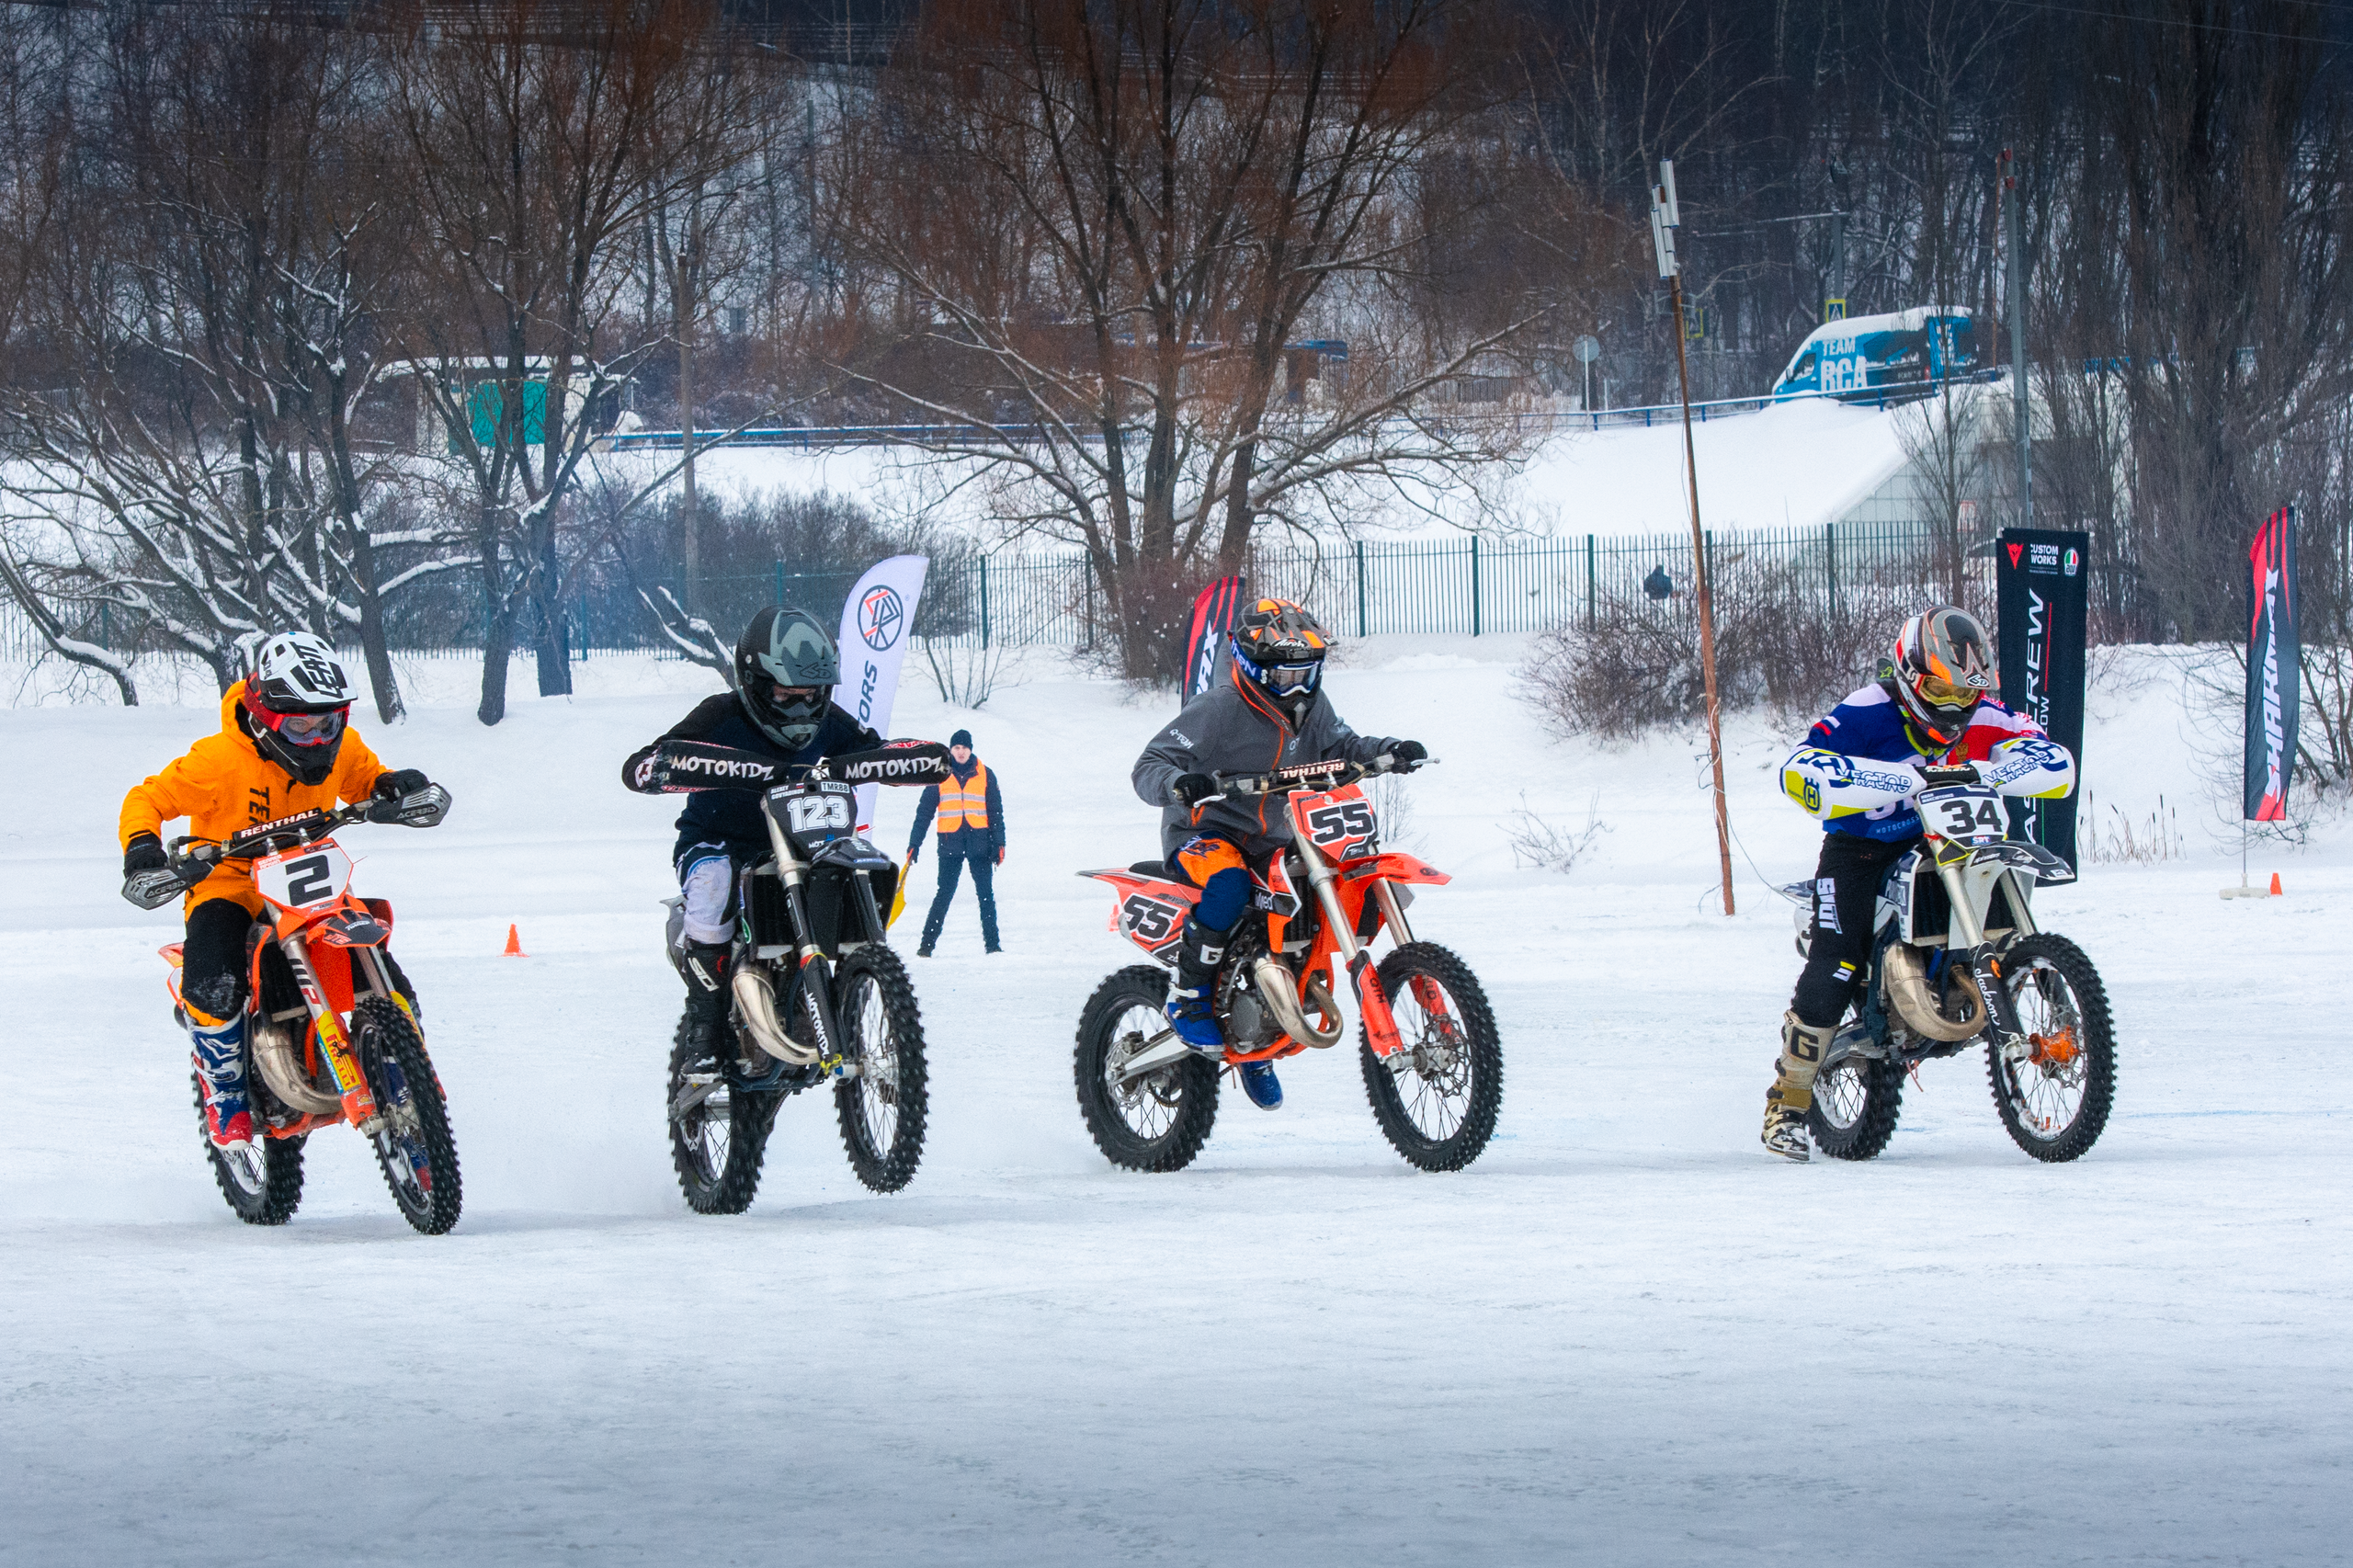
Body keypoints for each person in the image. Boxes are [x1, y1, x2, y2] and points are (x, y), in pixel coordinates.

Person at [1763, 605, 2076, 1161]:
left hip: (1950, 836)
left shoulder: (1985, 714)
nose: (1955, 705)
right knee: (1837, 958)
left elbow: (2051, 756)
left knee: (2005, 888)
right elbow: (1800, 767)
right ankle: (1786, 1105)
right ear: (1909, 673)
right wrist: (1884, 777)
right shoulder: (1865, 711)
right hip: (1862, 846)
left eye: (1966, 692)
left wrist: (1996, 770)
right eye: (1941, 690)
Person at [119, 632, 438, 1152]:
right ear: (266, 716)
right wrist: (142, 847)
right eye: (299, 725)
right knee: (215, 980)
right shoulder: (219, 759)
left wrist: (391, 786)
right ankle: (223, 1090)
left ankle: (406, 1067)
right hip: (230, 882)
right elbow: (147, 797)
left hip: (313, 878)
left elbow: (365, 778)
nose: (315, 739)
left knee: (380, 961)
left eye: (326, 724)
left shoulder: (344, 748)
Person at [1131, 597, 1426, 1112]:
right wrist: (1181, 782)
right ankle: (1191, 996)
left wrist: (1390, 749)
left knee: (1326, 892)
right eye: (1284, 675)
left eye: (1306, 672)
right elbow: (1151, 763)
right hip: (1207, 835)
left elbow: (1344, 746)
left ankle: (1259, 1026)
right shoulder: (1219, 709)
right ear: (1250, 666)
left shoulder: (1313, 708)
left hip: (1277, 838)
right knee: (1230, 886)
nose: (1296, 685)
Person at [620, 607, 891, 1053]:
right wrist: (673, 765)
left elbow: (873, 749)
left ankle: (854, 1003)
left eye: (812, 694)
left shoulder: (830, 720)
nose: (802, 705)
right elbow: (643, 765)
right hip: (718, 843)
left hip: (805, 845)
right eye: (787, 694)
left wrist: (916, 758)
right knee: (714, 881)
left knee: (852, 869)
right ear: (756, 684)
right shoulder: (719, 716)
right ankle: (705, 1029)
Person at [907, 729, 1005, 957]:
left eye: (965, 748)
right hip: (950, 844)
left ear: (971, 749)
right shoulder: (938, 774)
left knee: (986, 896)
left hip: (980, 844)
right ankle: (926, 946)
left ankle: (993, 945)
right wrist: (915, 843)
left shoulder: (986, 774)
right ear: (951, 750)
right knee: (944, 894)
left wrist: (1000, 843)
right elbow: (924, 813)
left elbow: (996, 812)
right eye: (956, 748)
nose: (961, 752)